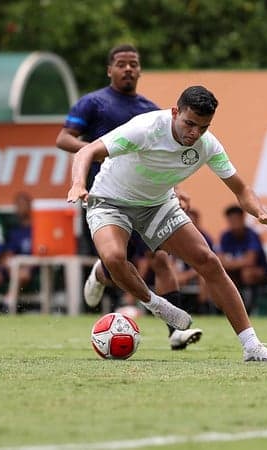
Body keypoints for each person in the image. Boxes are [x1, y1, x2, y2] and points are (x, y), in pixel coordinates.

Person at [66, 85, 267, 361]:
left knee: (208, 260)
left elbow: (240, 188)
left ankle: (252, 347)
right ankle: (156, 304)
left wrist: (259, 212)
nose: (194, 133)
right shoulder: (145, 129)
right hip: (110, 200)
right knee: (114, 257)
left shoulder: (207, 145)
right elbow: (84, 152)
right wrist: (78, 184)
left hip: (157, 204)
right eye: (189, 123)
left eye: (203, 127)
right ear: (175, 112)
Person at [55, 44, 200, 351]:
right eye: (121, 64)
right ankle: (100, 272)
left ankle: (175, 331)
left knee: (159, 256)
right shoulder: (92, 103)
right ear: (110, 69)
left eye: (134, 64)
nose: (128, 69)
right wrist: (104, 150)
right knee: (117, 265)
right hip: (103, 198)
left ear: (140, 69)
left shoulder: (150, 110)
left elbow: (161, 159)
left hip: (144, 198)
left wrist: (176, 190)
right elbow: (64, 138)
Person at [218, 205, 267, 314]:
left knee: (247, 273)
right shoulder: (225, 236)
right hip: (236, 271)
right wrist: (234, 264)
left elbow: (250, 261)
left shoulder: (252, 235)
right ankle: (220, 310)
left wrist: (230, 264)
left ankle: (249, 309)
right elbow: (220, 261)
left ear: (242, 219)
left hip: (260, 271)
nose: (234, 222)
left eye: (236, 219)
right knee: (220, 274)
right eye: (231, 219)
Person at [170, 208, 215, 315]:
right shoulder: (174, 237)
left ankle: (203, 308)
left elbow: (208, 262)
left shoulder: (205, 238)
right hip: (183, 271)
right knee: (171, 276)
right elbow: (171, 261)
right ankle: (173, 309)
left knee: (204, 276)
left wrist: (188, 275)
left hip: (198, 271)